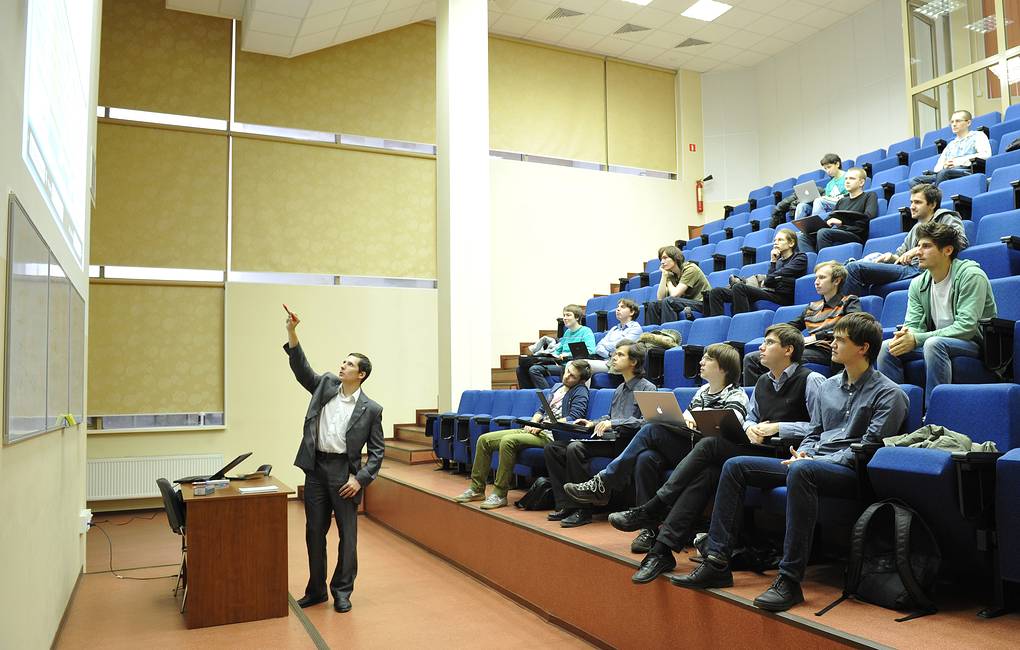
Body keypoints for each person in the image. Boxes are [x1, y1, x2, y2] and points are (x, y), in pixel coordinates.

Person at [672, 312, 908, 613]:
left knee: (802, 469)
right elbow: (814, 432)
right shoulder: (829, 387)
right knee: (736, 466)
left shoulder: (890, 393)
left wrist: (812, 459)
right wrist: (804, 451)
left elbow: (869, 448)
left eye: (840, 340)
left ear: (863, 348)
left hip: (850, 472)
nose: (831, 344)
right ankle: (718, 561)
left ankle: (789, 579)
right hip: (812, 464)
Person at [610, 324, 825, 583]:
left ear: (788, 350)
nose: (761, 347)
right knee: (708, 471)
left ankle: (655, 508)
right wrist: (750, 427)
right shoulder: (762, 383)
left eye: (768, 343)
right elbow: (751, 419)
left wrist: (780, 427)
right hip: (755, 449)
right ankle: (661, 550)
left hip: (786, 455)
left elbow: (819, 426)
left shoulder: (812, 380)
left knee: (710, 446)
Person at [563, 343, 749, 553]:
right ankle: (648, 530)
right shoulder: (703, 391)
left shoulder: (737, 395)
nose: (700, 361)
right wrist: (686, 420)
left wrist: (697, 421)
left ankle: (606, 482)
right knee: (646, 457)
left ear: (723, 367)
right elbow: (688, 416)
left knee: (651, 429)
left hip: (711, 454)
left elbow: (730, 430)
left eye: (707, 359)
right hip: (690, 446)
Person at [284, 307, 384, 614]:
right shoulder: (326, 384)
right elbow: (302, 370)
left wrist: (360, 479)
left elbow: (378, 452)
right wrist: (292, 332)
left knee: (347, 535)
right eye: (344, 361)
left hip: (344, 474)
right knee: (314, 531)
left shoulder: (371, 409)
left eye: (350, 364)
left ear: (361, 374)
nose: (343, 365)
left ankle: (342, 591)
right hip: (316, 468)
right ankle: (316, 590)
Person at [876, 221, 996, 404]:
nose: (918, 251)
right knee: (888, 347)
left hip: (973, 344)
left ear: (947, 250)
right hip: (937, 341)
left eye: (926, 246)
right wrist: (907, 335)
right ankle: (895, 409)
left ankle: (934, 414)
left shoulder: (971, 276)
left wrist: (917, 339)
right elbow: (914, 325)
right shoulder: (918, 284)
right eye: (918, 246)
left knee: (933, 344)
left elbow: (967, 327)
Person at [542, 341, 656, 528]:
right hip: (610, 439)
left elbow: (647, 422)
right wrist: (593, 422)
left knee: (575, 448)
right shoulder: (620, 388)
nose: (614, 357)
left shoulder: (647, 388)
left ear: (634, 361)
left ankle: (583, 510)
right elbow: (611, 416)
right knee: (552, 449)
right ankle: (566, 504)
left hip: (627, 443)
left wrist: (613, 423)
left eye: (620, 355)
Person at [456, 360, 591, 510]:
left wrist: (543, 426)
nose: (566, 376)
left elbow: (574, 417)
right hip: (537, 429)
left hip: (551, 435)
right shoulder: (557, 387)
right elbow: (541, 410)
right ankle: (476, 489)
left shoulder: (580, 391)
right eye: (566, 371)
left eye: (572, 376)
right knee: (484, 440)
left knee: (508, 441)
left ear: (581, 380)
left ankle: (499, 494)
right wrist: (533, 421)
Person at [742, 262, 860, 386]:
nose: (816, 282)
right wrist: (773, 335)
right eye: (816, 278)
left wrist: (817, 337)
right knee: (752, 358)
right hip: (807, 348)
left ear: (837, 281)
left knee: (786, 357)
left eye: (822, 277)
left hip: (829, 351)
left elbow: (852, 326)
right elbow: (791, 326)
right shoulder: (812, 307)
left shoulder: (849, 301)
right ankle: (757, 401)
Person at [843, 183, 967, 297]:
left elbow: (960, 241)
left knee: (854, 269)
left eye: (917, 202)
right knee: (847, 267)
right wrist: (891, 257)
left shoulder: (946, 218)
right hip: (908, 268)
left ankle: (847, 317)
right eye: (911, 202)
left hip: (923, 269)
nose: (912, 207)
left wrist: (917, 249)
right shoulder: (916, 228)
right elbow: (901, 254)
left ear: (933, 204)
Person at [705, 229, 807, 316]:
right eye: (775, 240)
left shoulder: (800, 257)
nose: (776, 243)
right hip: (770, 291)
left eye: (780, 240)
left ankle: (741, 322)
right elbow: (770, 280)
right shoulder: (778, 262)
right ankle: (718, 323)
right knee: (716, 292)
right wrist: (773, 261)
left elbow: (773, 277)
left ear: (791, 243)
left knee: (739, 287)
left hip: (783, 297)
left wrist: (773, 278)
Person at [797, 167, 878, 253]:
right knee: (803, 237)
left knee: (823, 232)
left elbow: (869, 217)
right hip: (839, 232)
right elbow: (829, 219)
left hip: (856, 234)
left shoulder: (870, 195)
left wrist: (842, 223)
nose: (847, 181)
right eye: (846, 178)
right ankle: (813, 263)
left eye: (852, 178)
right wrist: (812, 227)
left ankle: (824, 263)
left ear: (861, 182)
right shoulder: (842, 201)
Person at [517, 304, 596, 389]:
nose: (565, 318)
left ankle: (548, 396)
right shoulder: (567, 333)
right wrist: (550, 354)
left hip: (571, 365)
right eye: (564, 315)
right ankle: (530, 395)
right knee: (520, 369)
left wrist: (568, 355)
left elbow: (590, 351)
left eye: (568, 315)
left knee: (534, 369)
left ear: (577, 317)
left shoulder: (586, 331)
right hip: (559, 363)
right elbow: (558, 350)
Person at [910, 110, 992, 187]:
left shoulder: (978, 136)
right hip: (945, 172)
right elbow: (937, 167)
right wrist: (944, 165)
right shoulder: (951, 145)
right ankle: (930, 196)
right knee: (914, 180)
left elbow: (985, 155)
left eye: (958, 121)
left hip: (967, 170)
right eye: (952, 122)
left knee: (944, 173)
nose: (954, 124)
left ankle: (935, 198)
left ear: (968, 122)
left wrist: (958, 161)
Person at [644, 246, 710, 324]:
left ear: (675, 258)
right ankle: (651, 335)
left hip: (702, 304)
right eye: (661, 259)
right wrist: (664, 275)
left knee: (669, 301)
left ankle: (668, 332)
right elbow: (660, 297)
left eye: (665, 258)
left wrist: (668, 280)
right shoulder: (672, 274)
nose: (662, 262)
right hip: (686, 302)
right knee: (653, 305)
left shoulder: (690, 269)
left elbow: (674, 295)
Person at [584, 298, 642, 377]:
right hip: (606, 361)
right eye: (618, 307)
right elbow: (598, 347)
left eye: (622, 307)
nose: (618, 309)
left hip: (620, 363)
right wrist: (609, 353)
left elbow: (621, 347)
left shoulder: (636, 328)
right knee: (576, 364)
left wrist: (606, 346)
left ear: (632, 312)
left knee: (582, 366)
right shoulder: (614, 329)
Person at [793, 154, 846, 221]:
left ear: (837, 164)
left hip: (842, 203)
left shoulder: (848, 176)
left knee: (819, 200)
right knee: (802, 206)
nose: (827, 171)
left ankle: (816, 226)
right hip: (830, 205)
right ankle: (798, 231)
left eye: (829, 167)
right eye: (825, 169)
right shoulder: (830, 184)